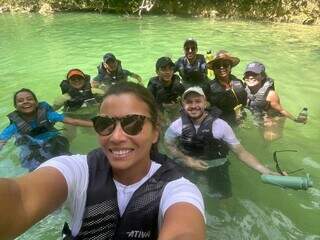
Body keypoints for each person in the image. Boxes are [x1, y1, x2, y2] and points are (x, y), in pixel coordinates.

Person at [0, 82, 205, 240]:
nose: (116, 137)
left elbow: (184, 231)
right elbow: (19, 199)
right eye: (105, 123)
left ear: (155, 133)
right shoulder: (77, 171)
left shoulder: (177, 188)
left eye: (133, 123)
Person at [164, 86, 277, 199]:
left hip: (216, 167)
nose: (194, 106)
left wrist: (264, 170)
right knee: (183, 197)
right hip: (187, 165)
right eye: (189, 102)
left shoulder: (221, 126)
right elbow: (169, 145)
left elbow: (241, 153)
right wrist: (187, 160)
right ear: (183, 104)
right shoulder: (176, 126)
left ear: (205, 103)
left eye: (198, 101)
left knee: (223, 200)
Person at [0, 88, 93, 171]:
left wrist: (96, 124)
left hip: (53, 142)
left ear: (36, 103)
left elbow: (73, 122)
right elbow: (2, 141)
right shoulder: (14, 126)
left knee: (63, 156)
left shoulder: (48, 115)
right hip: (31, 146)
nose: (25, 102)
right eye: (20, 101)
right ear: (15, 106)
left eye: (29, 99)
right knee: (37, 163)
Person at [244, 61, 307, 141]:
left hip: (272, 117)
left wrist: (295, 120)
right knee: (261, 136)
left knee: (270, 138)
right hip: (259, 115)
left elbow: (281, 110)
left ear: (262, 76)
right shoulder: (243, 90)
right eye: (248, 74)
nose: (250, 77)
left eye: (254, 74)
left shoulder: (271, 95)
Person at [53, 68, 104, 141]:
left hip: (89, 116)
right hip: (71, 118)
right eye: (73, 79)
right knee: (69, 136)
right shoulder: (63, 98)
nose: (77, 81)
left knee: (96, 134)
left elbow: (109, 101)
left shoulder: (97, 92)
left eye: (79, 78)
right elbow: (51, 111)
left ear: (84, 80)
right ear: (68, 82)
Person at [207, 50, 247, 126]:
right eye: (218, 66)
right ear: (214, 70)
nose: (221, 68)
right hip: (221, 122)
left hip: (240, 117)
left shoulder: (239, 82)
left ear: (230, 67)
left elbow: (244, 103)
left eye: (225, 65)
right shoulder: (209, 87)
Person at [147, 56, 185, 123]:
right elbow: (147, 108)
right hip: (160, 115)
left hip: (176, 113)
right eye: (164, 69)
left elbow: (186, 103)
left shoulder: (178, 85)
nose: (168, 72)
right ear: (157, 71)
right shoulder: (152, 87)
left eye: (170, 69)